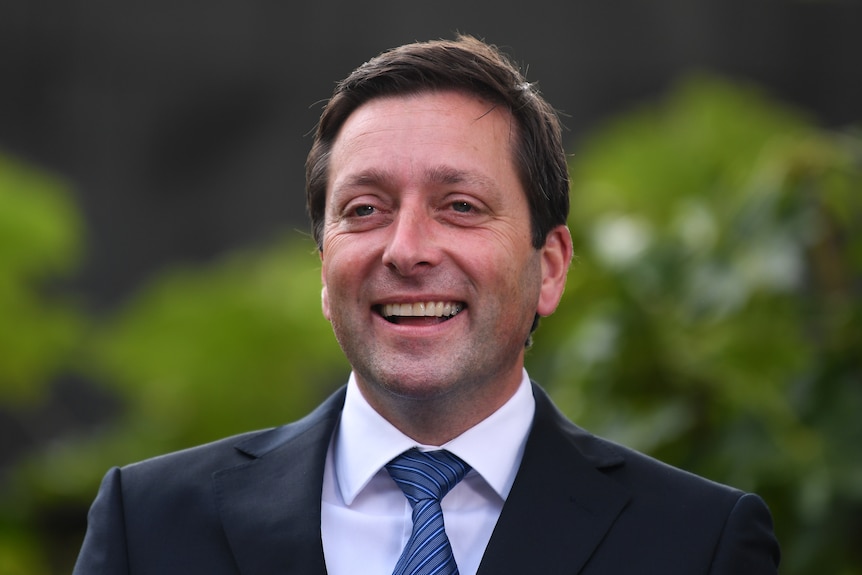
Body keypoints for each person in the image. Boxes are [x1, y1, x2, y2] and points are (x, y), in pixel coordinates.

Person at [73, 35, 780, 574]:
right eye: (366, 208)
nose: (406, 249)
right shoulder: (151, 525)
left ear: (551, 266)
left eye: (461, 206)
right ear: (324, 269)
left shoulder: (698, 542)